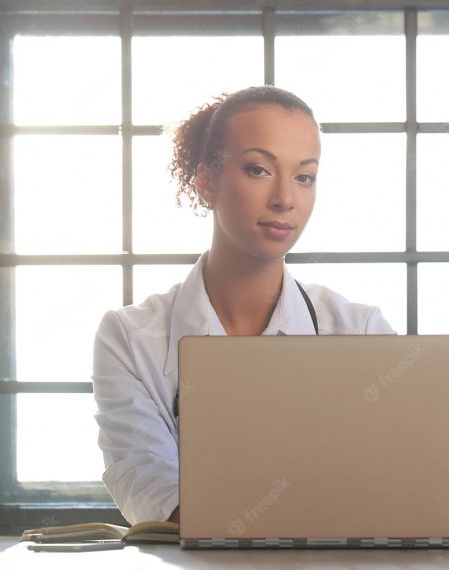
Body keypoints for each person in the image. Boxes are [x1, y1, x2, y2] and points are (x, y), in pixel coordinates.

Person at [91, 86, 395, 526]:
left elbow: (391, 486)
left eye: (304, 177)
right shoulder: (128, 338)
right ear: (206, 181)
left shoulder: (362, 331)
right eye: (258, 169)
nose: (285, 199)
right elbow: (147, 486)